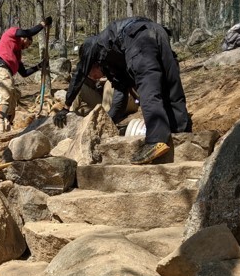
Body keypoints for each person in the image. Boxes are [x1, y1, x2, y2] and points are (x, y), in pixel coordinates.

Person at [53, 16, 192, 165]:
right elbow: (119, 103)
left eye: (91, 73)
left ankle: (157, 140)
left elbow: (79, 74)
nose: (94, 77)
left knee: (148, 87)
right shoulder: (117, 66)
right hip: (158, 32)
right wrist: (107, 123)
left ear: (91, 63)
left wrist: (66, 107)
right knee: (170, 82)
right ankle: (181, 132)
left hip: (138, 37)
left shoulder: (92, 44)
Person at [0, 16, 53, 131]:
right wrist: (43, 24)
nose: (27, 47)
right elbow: (29, 31)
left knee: (13, 99)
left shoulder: (17, 55)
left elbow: (24, 73)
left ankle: (8, 124)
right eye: (28, 43)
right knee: (6, 94)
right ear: (24, 38)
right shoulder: (11, 33)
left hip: (8, 72)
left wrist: (40, 66)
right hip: (0, 68)